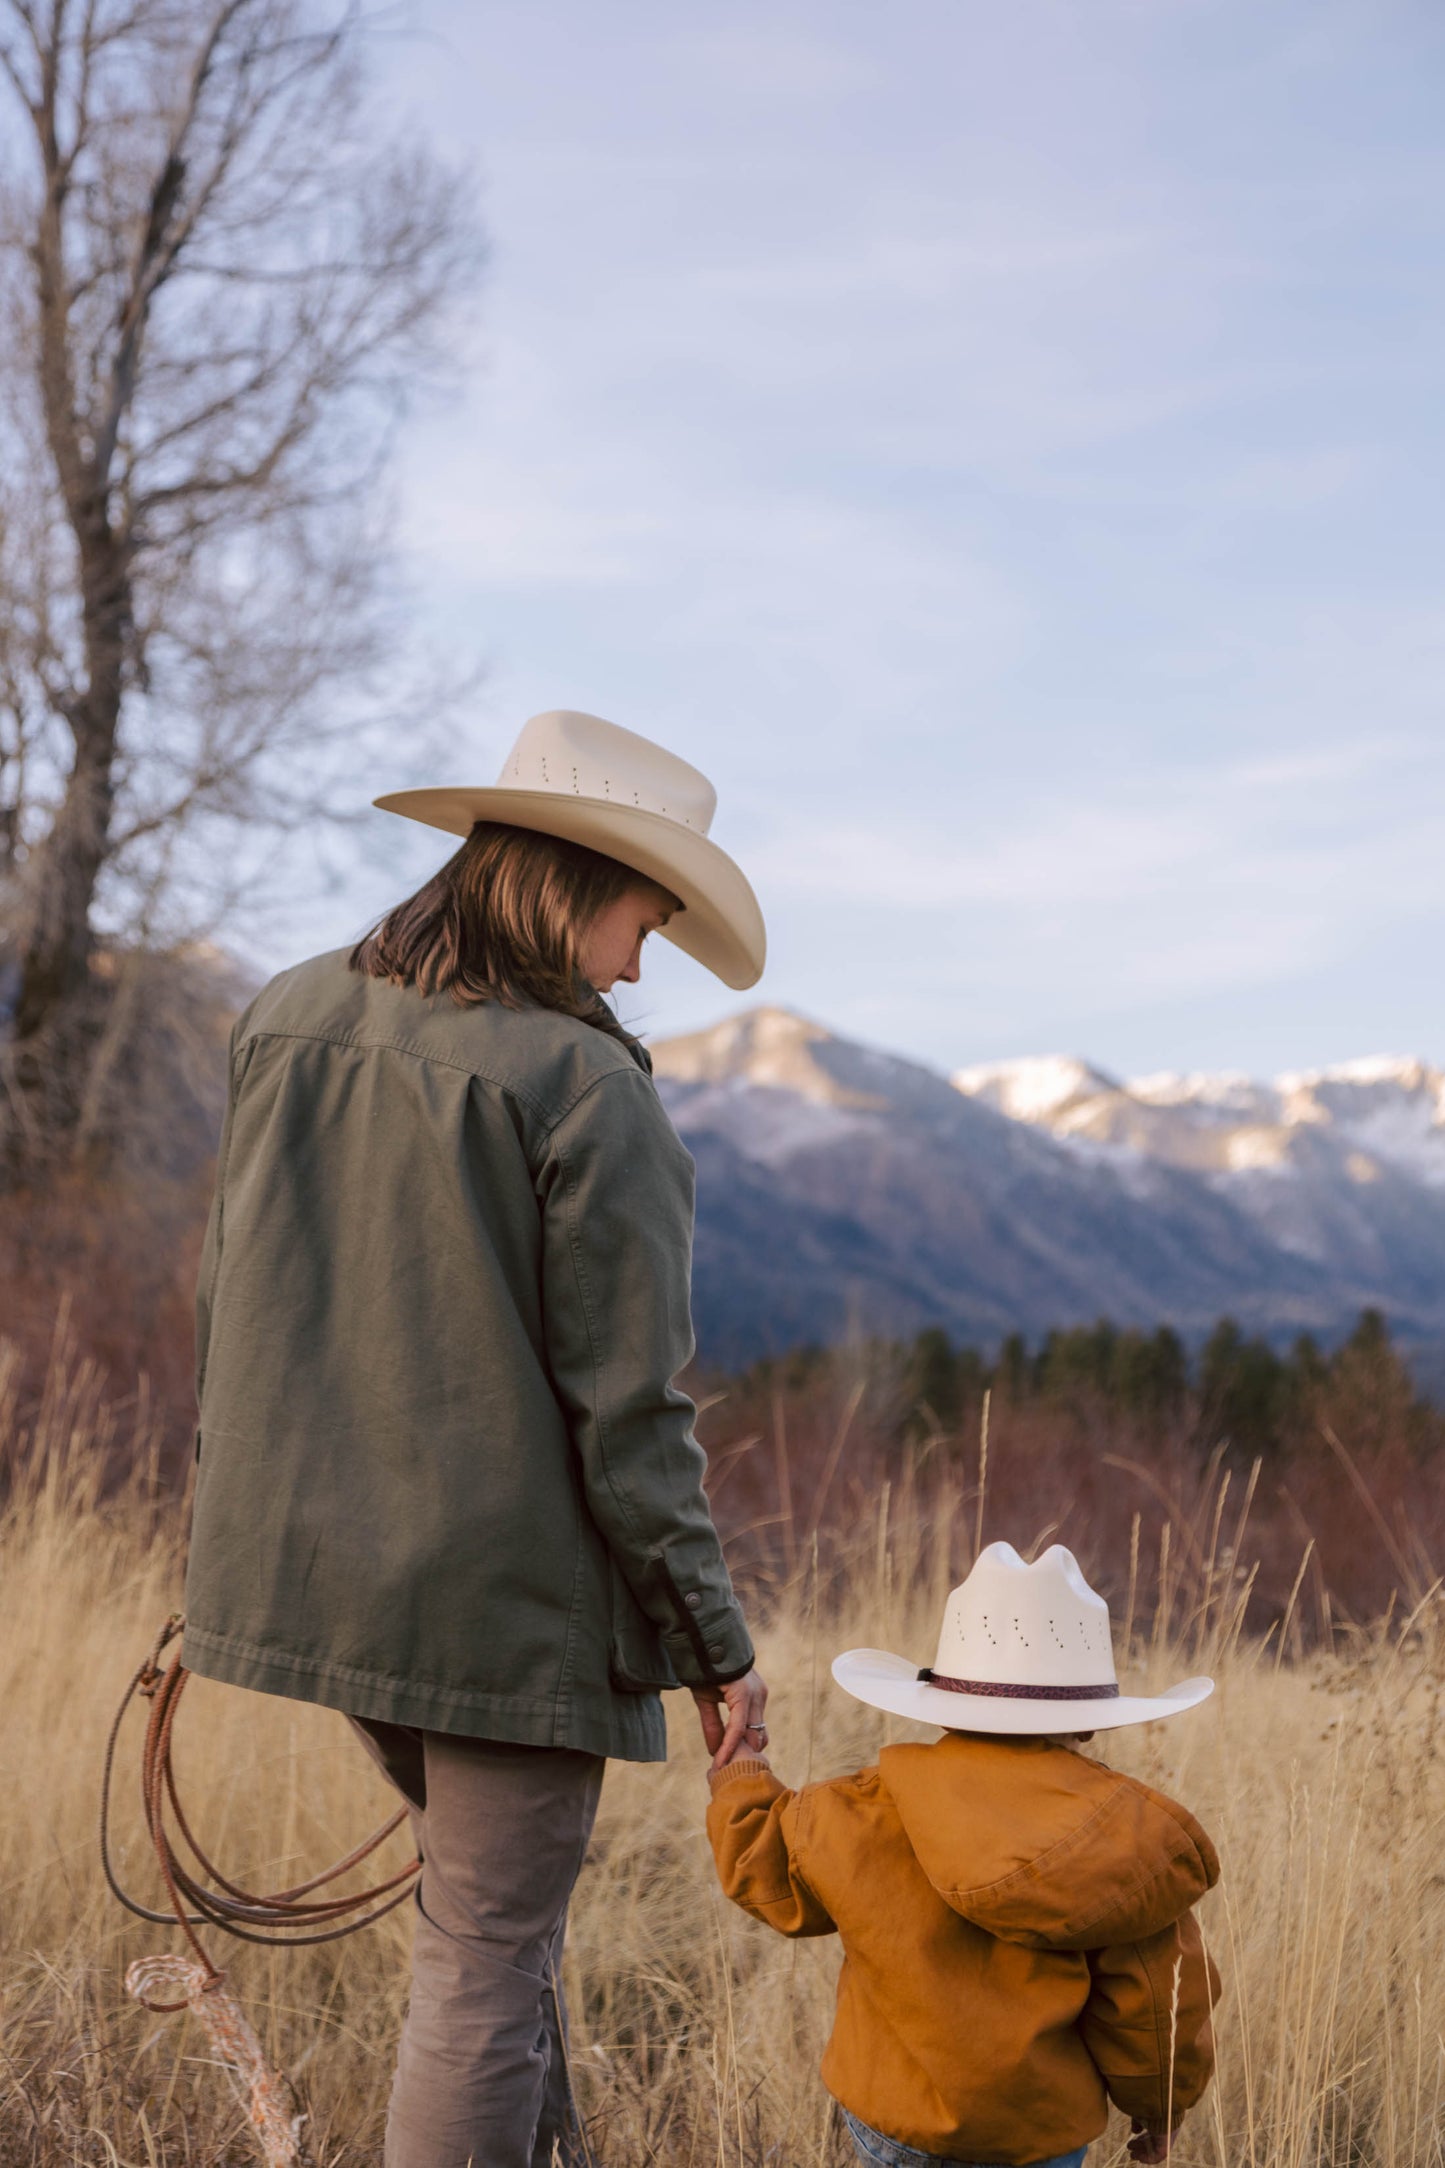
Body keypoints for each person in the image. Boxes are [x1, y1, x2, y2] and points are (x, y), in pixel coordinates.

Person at [182, 709, 771, 2168]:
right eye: (645, 918)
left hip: (309, 1576)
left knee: (494, 1944)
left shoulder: (287, 1011)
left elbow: (240, 1297)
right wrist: (720, 1649)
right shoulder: (588, 1087)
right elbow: (630, 1418)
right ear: (573, 880)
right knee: (483, 1965)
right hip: (495, 1614)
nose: (641, 964)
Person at [707, 1540, 1221, 2168]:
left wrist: (744, 1765)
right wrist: (1161, 2109)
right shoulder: (1124, 1848)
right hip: (1038, 2138)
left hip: (893, 2125)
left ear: (943, 1704)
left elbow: (761, 1868)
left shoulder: (863, 1809)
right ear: (1091, 1721)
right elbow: (1157, 2007)